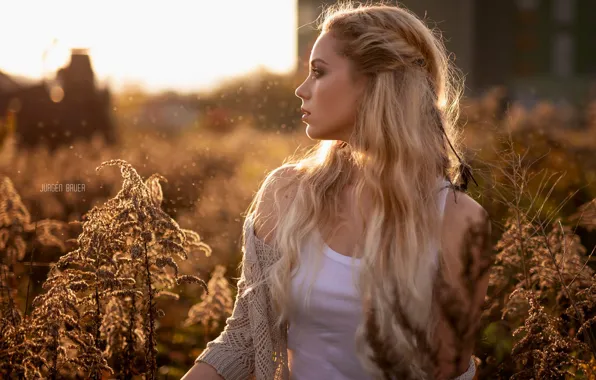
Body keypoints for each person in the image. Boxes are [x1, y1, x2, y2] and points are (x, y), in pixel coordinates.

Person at [182, 2, 491, 379]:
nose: (301, 90)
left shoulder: (459, 220)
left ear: (378, 83)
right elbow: (244, 339)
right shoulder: (286, 194)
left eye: (319, 73)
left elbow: (449, 373)